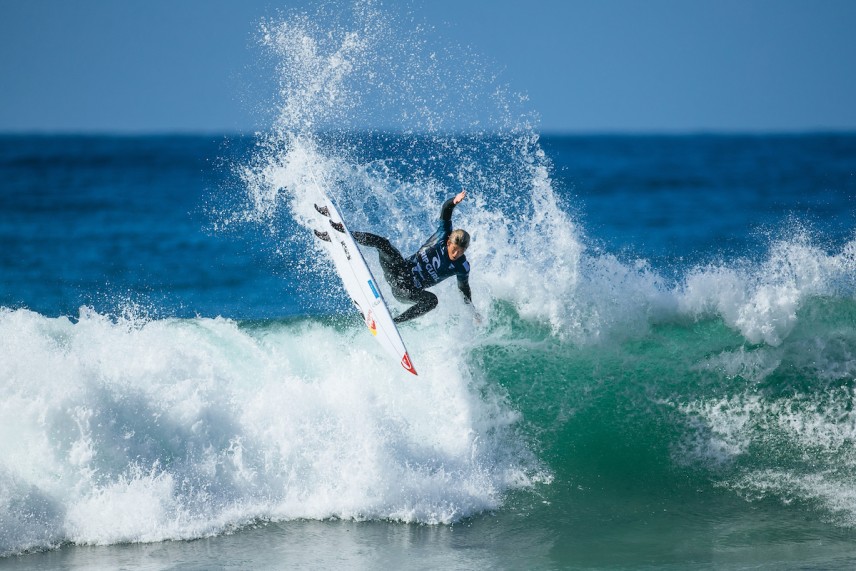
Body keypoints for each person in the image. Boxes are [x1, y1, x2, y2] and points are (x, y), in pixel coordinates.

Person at [352, 190, 473, 323]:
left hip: (407, 291)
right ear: (449, 242)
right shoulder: (443, 236)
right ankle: (347, 234)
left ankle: (394, 321)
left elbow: (464, 289)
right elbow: (446, 211)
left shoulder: (462, 266)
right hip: (397, 271)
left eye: (461, 251)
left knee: (432, 301)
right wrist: (453, 201)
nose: (456, 254)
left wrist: (472, 311)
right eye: (454, 249)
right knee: (384, 244)